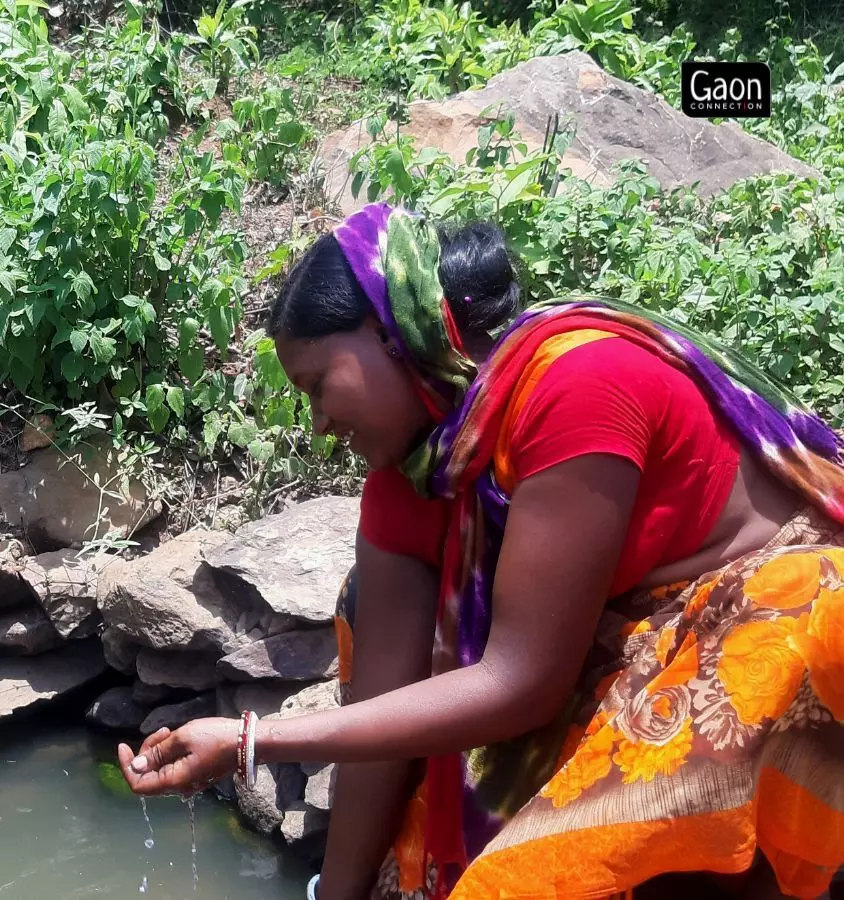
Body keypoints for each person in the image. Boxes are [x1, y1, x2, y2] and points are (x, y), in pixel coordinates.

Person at [116, 202, 844, 899]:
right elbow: (387, 712)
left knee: (537, 875)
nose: (317, 425)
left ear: (392, 332)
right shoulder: (413, 476)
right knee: (362, 606)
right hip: (605, 644)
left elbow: (521, 683)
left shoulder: (577, 383)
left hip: (749, 618)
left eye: (317, 385)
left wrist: (253, 740)